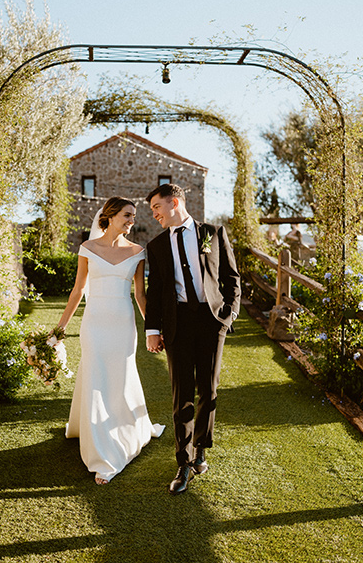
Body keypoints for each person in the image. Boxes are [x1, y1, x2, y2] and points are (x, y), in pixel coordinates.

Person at [59, 196, 164, 485]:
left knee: (119, 377)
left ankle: (123, 434)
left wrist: (151, 330)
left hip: (122, 322)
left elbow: (141, 295)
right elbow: (78, 290)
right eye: (128, 215)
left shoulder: (137, 251)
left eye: (133, 216)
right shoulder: (88, 248)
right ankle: (101, 454)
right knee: (95, 377)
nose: (132, 220)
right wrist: (61, 327)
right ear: (111, 215)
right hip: (94, 323)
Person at [145, 183, 241, 495]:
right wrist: (152, 330)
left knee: (208, 390)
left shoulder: (212, 233)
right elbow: (155, 292)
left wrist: (228, 316)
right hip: (177, 325)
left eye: (157, 207)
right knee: (181, 394)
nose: (155, 214)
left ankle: (201, 447)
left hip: (211, 321)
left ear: (174, 202)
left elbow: (231, 277)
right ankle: (183, 463)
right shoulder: (157, 245)